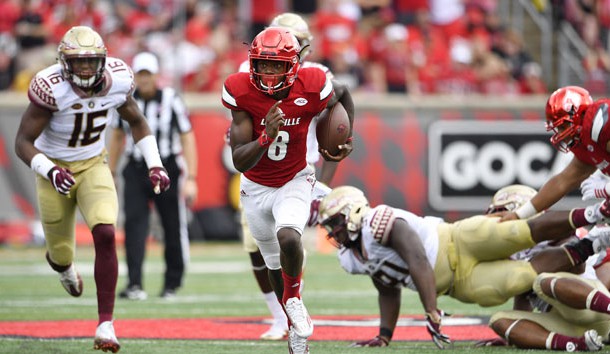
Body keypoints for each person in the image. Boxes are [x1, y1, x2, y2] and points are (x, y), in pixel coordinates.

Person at [13, 26, 170, 353]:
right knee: (60, 254)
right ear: (64, 62)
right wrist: (50, 170)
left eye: (91, 61)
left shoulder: (118, 80)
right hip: (53, 167)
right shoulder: (50, 87)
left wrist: (155, 163)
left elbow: (137, 122)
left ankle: (106, 324)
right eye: (78, 62)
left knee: (105, 232)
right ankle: (64, 268)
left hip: (92, 164)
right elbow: (22, 142)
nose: (85, 69)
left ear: (103, 60)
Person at [316, 185, 610, 348]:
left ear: (352, 213)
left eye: (335, 222)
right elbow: (386, 287)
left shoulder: (375, 221)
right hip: (458, 283)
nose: (333, 231)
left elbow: (416, 256)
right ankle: (576, 342)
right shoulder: (351, 257)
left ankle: (596, 214)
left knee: (515, 232)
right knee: (519, 279)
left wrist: (430, 309)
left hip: (456, 240)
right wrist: (384, 333)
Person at [221, 27, 354, 354]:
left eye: (276, 65)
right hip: (255, 186)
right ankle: (294, 325)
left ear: (292, 64)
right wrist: (265, 136)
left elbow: (344, 94)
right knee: (273, 265)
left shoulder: (313, 84)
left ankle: (293, 299)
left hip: (295, 178)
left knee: (290, 237)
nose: (268, 72)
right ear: (252, 63)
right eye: (263, 64)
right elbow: (239, 161)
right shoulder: (240, 90)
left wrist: (341, 138)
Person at [107, 52, 197, 300]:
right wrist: (112, 171)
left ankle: (172, 284)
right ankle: (134, 283)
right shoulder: (125, 100)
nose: (145, 80)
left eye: (148, 74)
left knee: (172, 226)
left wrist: (192, 177)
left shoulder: (171, 99)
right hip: (135, 168)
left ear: (157, 75)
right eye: (141, 74)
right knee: (135, 226)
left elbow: (187, 137)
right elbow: (116, 137)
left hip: (166, 166)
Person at [479, 181, 609, 351]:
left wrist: (528, 268)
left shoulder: (555, 233)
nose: (498, 219)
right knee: (499, 320)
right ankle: (575, 344)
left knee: (543, 281)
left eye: (503, 212)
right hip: (565, 322)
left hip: (593, 309)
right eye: (495, 213)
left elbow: (578, 266)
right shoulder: (509, 252)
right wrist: (515, 334)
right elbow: (523, 297)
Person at [499, 86, 610, 222]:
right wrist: (519, 215)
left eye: (563, 126)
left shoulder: (600, 122)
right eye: (557, 128)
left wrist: (605, 189)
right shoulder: (586, 141)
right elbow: (563, 181)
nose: (561, 135)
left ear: (579, 115)